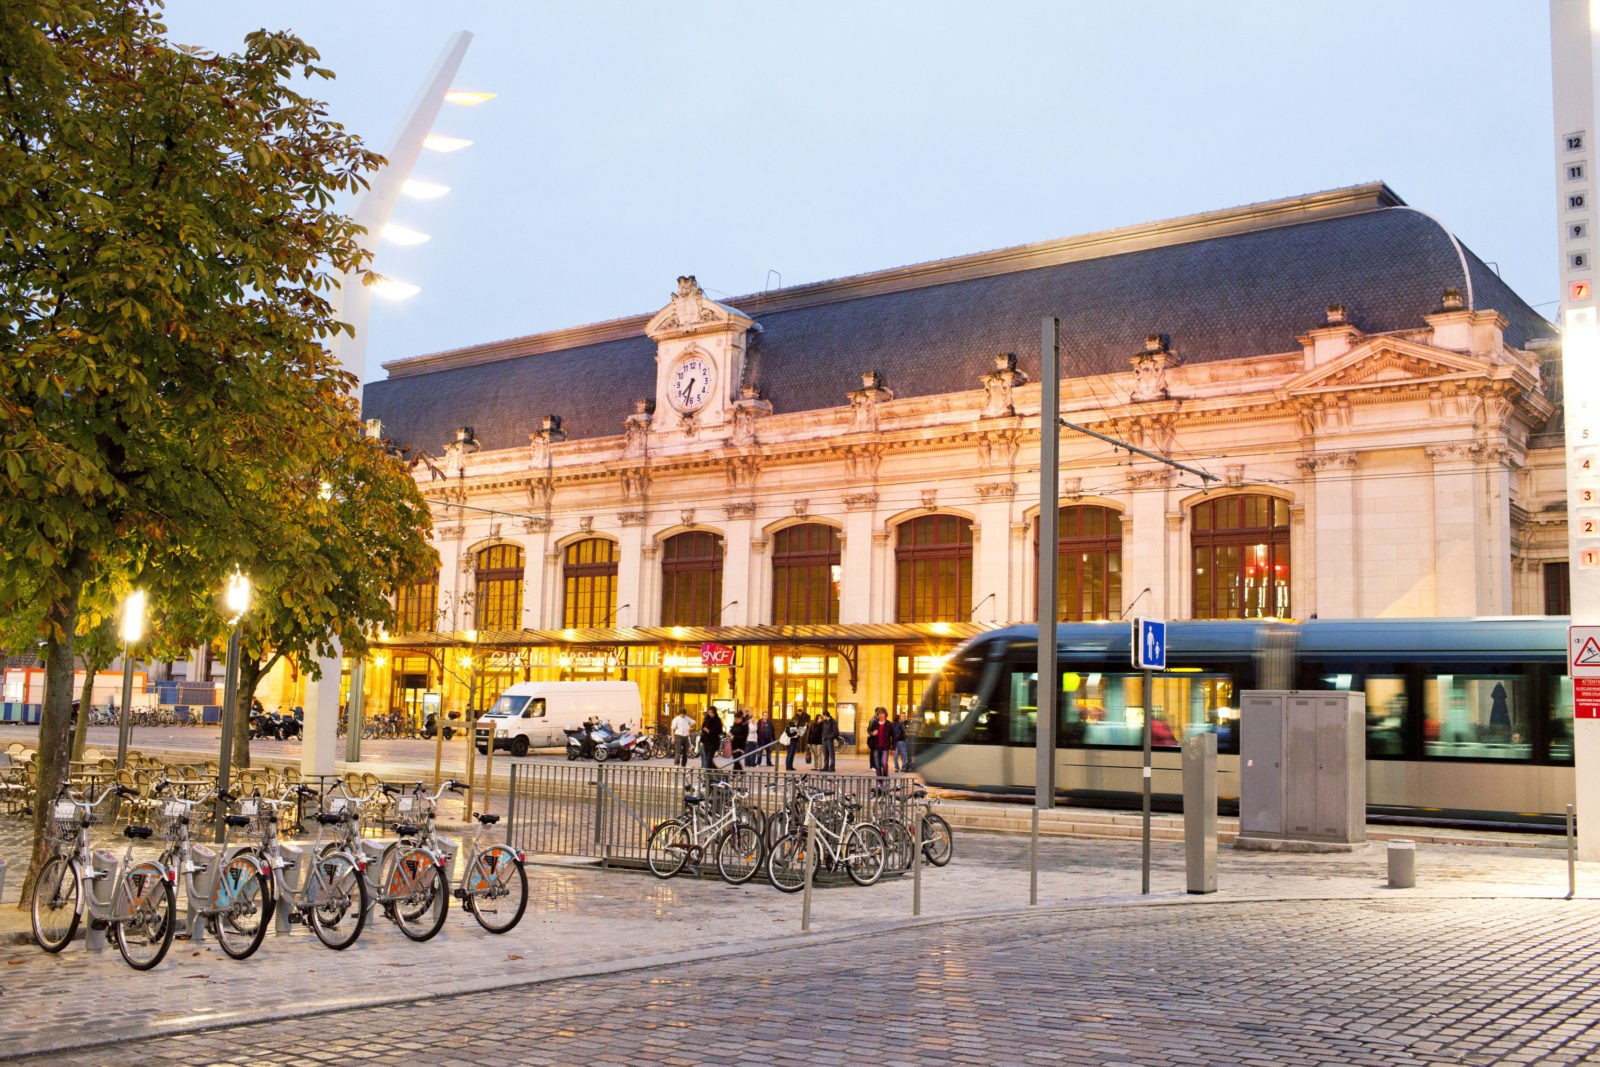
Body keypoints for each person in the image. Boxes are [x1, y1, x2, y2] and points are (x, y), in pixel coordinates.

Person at [867, 706, 893, 777]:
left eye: (883, 713)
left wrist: (893, 748)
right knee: (877, 766)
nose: (881, 715)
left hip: (885, 748)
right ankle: (879, 784)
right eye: (880, 714)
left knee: (884, 764)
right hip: (876, 747)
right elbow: (869, 730)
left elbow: (894, 736)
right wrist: (872, 733)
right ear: (877, 715)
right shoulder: (874, 722)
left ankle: (885, 779)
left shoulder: (889, 724)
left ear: (885, 714)